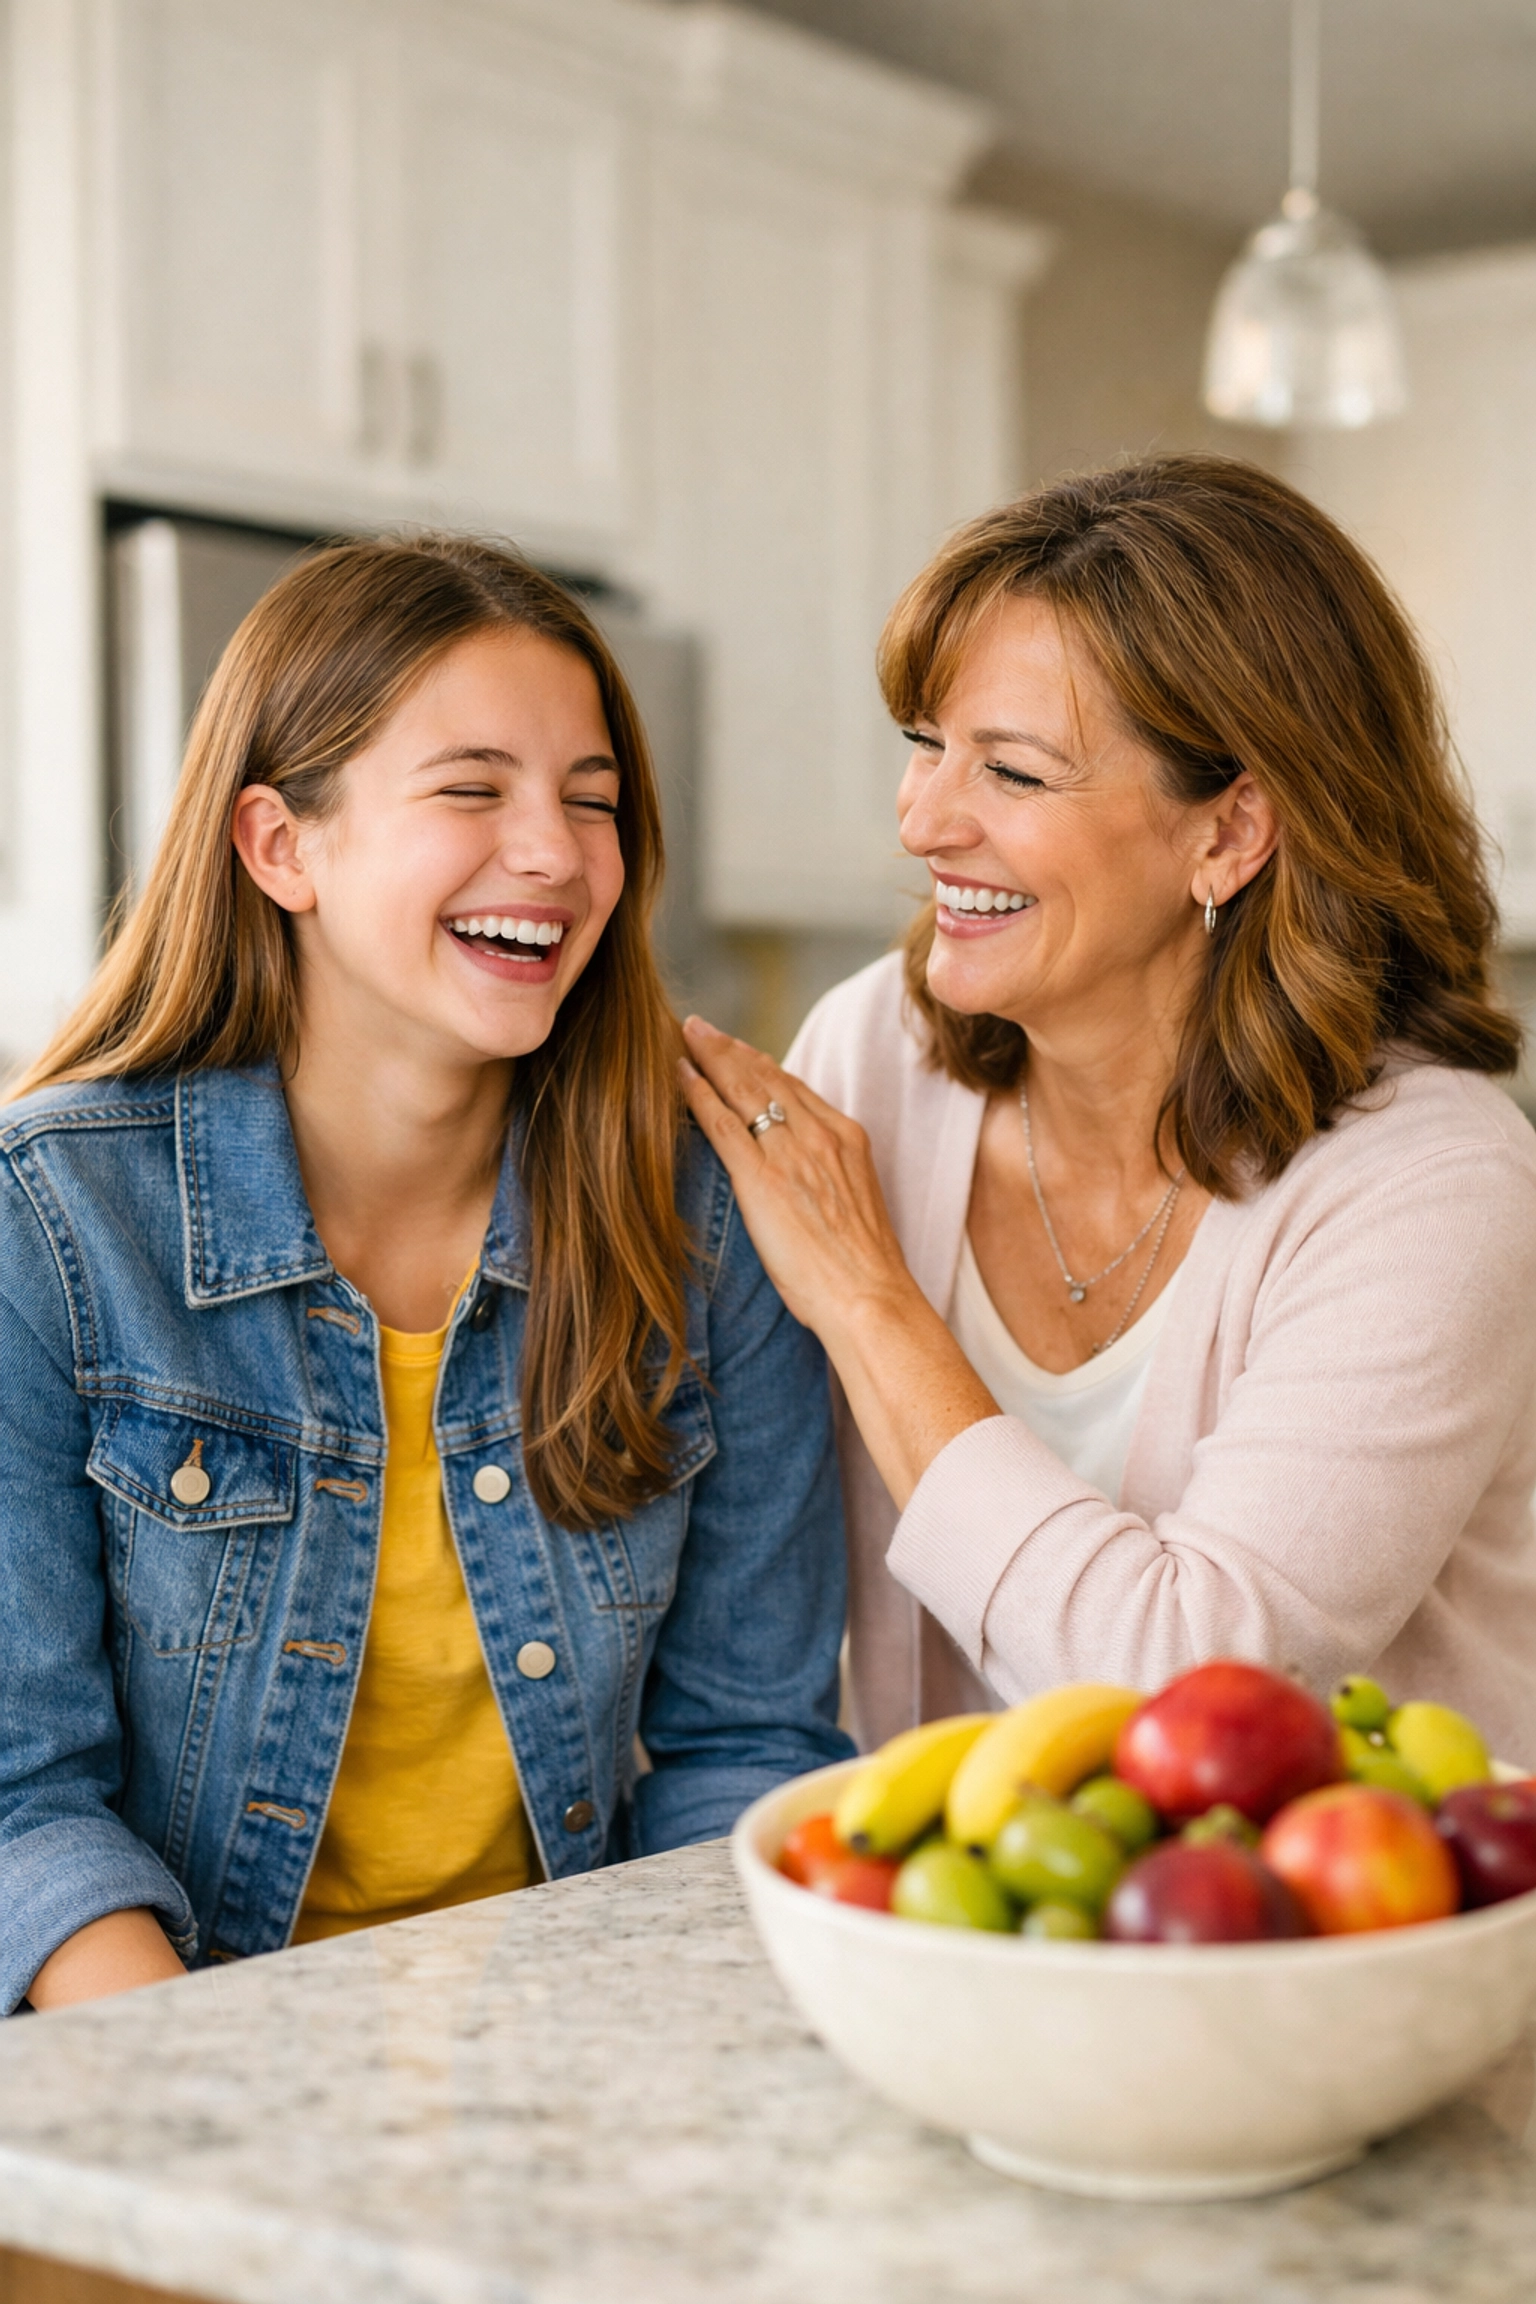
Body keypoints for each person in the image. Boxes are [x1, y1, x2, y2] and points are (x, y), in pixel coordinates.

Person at [0, 536, 849, 2017]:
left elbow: (746, 1757)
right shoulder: (53, 1225)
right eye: (473, 790)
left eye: (595, 803)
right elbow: (22, 1809)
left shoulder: (705, 1226)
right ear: (282, 847)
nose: (557, 854)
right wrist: (245, 2135)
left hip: (573, 2054)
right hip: (171, 2064)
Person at [679, 454, 1536, 1764]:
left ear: (1228, 834)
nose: (922, 820)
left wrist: (870, 1302)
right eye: (925, 747)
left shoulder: (1433, 1186)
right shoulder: (874, 1053)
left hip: (1347, 1944)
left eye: (1011, 774)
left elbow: (1193, 1695)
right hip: (980, 1921)